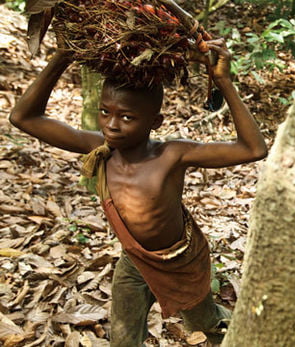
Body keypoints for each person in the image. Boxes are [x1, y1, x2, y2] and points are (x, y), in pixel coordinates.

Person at [9, 38, 267, 346]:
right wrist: (62, 57)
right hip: (134, 260)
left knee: (206, 324)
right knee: (123, 336)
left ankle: (258, 332)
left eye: (127, 117)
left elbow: (253, 149)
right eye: (105, 112)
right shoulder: (98, 147)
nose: (112, 125)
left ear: (155, 121)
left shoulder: (172, 155)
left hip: (180, 261)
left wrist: (223, 81)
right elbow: (23, 118)